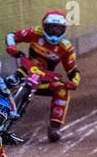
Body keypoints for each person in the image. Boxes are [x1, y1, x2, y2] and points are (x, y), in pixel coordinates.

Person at [5, 11, 81, 142]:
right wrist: (12, 46)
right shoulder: (35, 33)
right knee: (6, 83)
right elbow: (12, 35)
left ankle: (54, 128)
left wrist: (74, 82)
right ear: (44, 26)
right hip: (25, 72)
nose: (54, 32)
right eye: (51, 27)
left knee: (62, 90)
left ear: (64, 30)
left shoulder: (66, 48)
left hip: (45, 80)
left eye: (58, 29)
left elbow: (73, 71)